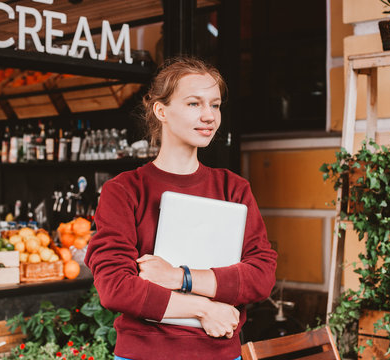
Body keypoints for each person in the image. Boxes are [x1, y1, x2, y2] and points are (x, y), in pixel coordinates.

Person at [85, 56, 278, 360]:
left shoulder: (233, 188)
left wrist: (180, 277)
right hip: (145, 355)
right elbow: (115, 286)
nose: (209, 116)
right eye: (194, 104)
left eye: (215, 105)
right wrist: (204, 309)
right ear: (161, 111)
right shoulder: (124, 190)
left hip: (220, 354)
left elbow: (261, 274)